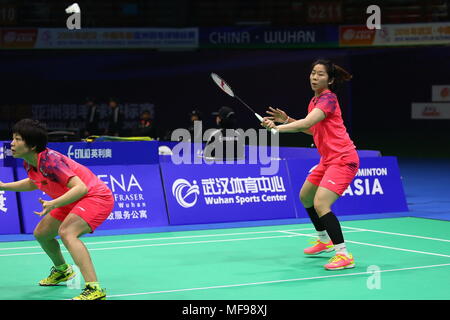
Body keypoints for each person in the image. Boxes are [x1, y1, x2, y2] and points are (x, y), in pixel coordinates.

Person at [0, 119, 114, 299]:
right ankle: (63, 271)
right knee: (42, 233)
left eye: (18, 139)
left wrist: (54, 203)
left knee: (67, 232)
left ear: (32, 145)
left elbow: (81, 188)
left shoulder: (50, 161)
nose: (12, 144)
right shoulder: (30, 162)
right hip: (71, 200)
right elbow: (34, 182)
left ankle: (94, 288)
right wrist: (4, 186)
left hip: (94, 197)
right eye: (13, 138)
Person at [261, 59, 358, 271]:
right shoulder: (314, 102)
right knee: (305, 196)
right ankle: (324, 240)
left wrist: (277, 128)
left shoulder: (329, 99)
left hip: (343, 158)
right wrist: (286, 120)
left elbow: (305, 124)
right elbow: (312, 129)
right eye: (313, 73)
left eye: (320, 74)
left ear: (330, 80)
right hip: (327, 160)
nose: (315, 77)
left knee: (321, 203)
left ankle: (343, 254)